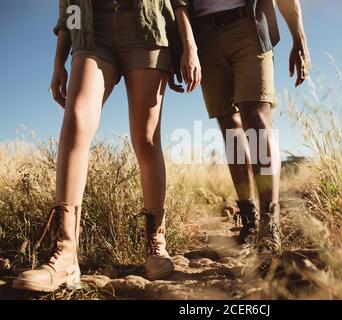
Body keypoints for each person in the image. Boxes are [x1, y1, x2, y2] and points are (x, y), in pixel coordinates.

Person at [13, 0, 201, 292]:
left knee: (146, 139)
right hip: (92, 32)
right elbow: (68, 10)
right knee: (75, 120)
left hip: (147, 30)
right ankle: (65, 253)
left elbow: (178, 2)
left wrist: (190, 45)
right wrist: (58, 62)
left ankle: (156, 243)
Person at [171, 0, 311, 262]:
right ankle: (250, 220)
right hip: (203, 36)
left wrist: (299, 36)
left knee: (256, 119)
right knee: (230, 129)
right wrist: (178, 50)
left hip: (249, 25)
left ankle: (270, 226)